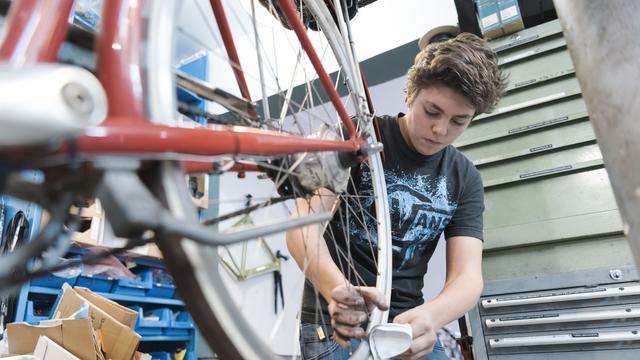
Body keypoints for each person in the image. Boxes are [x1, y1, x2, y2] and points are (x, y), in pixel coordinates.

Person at [287, 32, 506, 360]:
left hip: (403, 327)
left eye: (459, 121)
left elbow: (467, 276)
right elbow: (302, 229)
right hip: (335, 321)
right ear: (410, 92)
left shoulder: (465, 178)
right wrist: (337, 292)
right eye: (432, 111)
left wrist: (431, 315)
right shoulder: (357, 138)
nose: (440, 130)